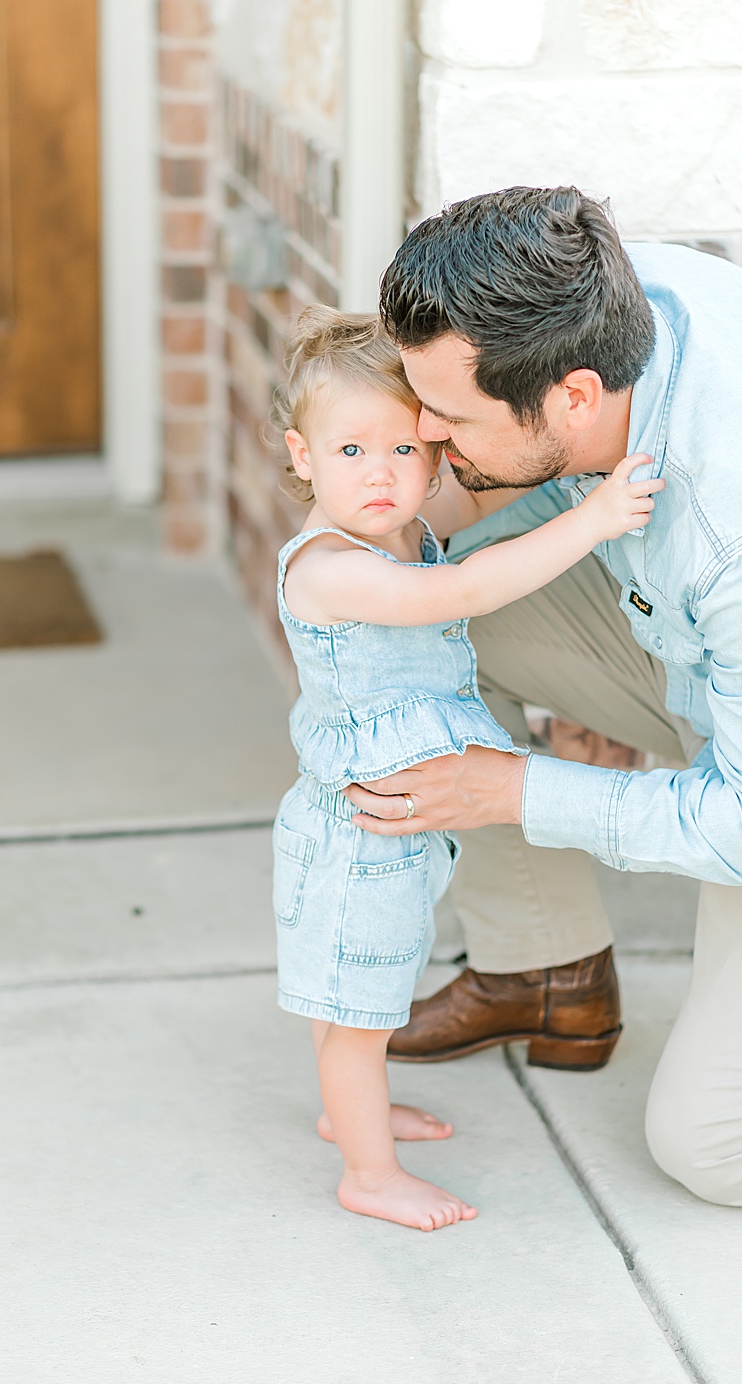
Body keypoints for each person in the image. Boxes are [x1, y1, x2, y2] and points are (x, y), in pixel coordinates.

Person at [345, 186, 742, 1206]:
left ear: (568, 398)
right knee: (392, 619)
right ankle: (544, 967)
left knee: (706, 1146)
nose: (424, 431)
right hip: (709, 673)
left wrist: (512, 789)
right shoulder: (606, 301)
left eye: (450, 416)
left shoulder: (725, 516)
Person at [269, 308, 660, 1230]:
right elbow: (463, 591)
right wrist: (596, 520)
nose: (381, 474)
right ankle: (370, 1172)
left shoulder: (400, 532)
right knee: (361, 1006)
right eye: (352, 450)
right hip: (362, 828)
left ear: (437, 456)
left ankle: (348, 1111)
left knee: (365, 985)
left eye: (405, 451)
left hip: (403, 823)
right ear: (302, 456)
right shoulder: (329, 567)